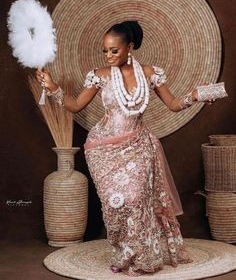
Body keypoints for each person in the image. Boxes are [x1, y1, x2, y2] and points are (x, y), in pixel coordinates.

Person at [36, 20, 215, 277]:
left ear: (130, 47)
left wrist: (195, 96)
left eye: (114, 50)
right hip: (103, 149)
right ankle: (122, 251)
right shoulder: (99, 76)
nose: (108, 56)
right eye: (105, 51)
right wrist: (52, 87)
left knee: (136, 200)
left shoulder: (151, 73)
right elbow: (75, 106)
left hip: (138, 145)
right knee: (115, 203)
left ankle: (140, 257)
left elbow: (174, 104)